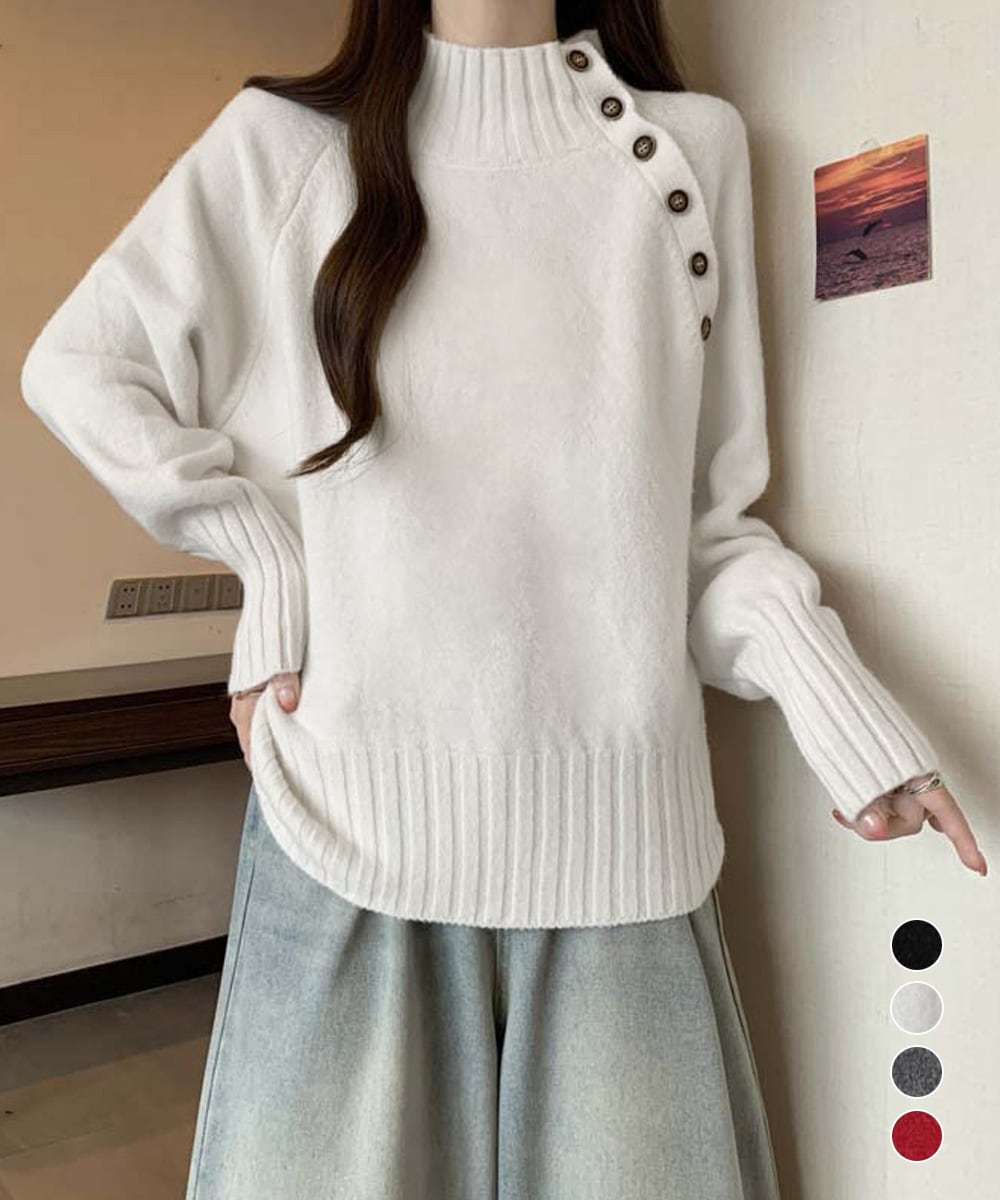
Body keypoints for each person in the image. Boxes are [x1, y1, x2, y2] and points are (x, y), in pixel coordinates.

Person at [20, 2, 986, 1196]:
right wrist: (268, 562)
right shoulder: (281, 147)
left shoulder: (688, 153)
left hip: (623, 846)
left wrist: (843, 718)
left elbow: (697, 530)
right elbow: (81, 366)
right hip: (347, 815)